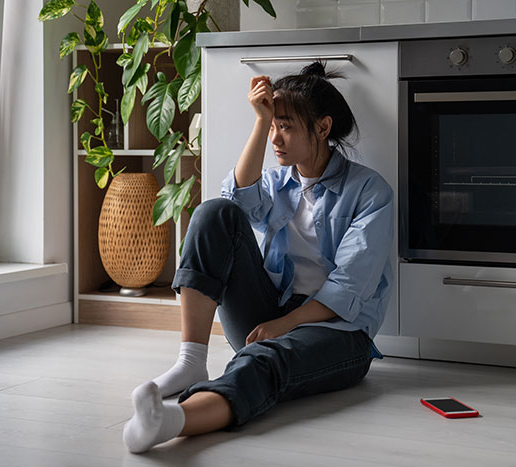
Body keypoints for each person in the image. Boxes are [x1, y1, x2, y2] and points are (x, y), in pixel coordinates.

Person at [122, 61, 394, 454]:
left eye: (285, 126)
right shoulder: (277, 181)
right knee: (214, 212)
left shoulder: (370, 192)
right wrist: (259, 120)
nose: (275, 139)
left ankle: (172, 421)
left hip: (340, 334)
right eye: (272, 127)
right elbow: (236, 199)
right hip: (270, 314)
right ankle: (191, 360)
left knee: (266, 360)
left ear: (322, 128)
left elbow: (348, 289)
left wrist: (285, 324)